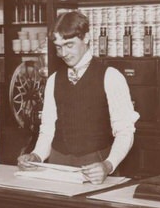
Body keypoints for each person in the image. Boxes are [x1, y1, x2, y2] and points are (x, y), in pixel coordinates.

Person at [17, 10, 139, 184]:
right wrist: (36, 156)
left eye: (69, 45)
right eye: (59, 47)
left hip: (96, 168)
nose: (63, 53)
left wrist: (108, 165)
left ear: (86, 38)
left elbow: (125, 131)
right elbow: (48, 129)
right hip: (58, 167)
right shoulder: (54, 80)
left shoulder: (110, 77)